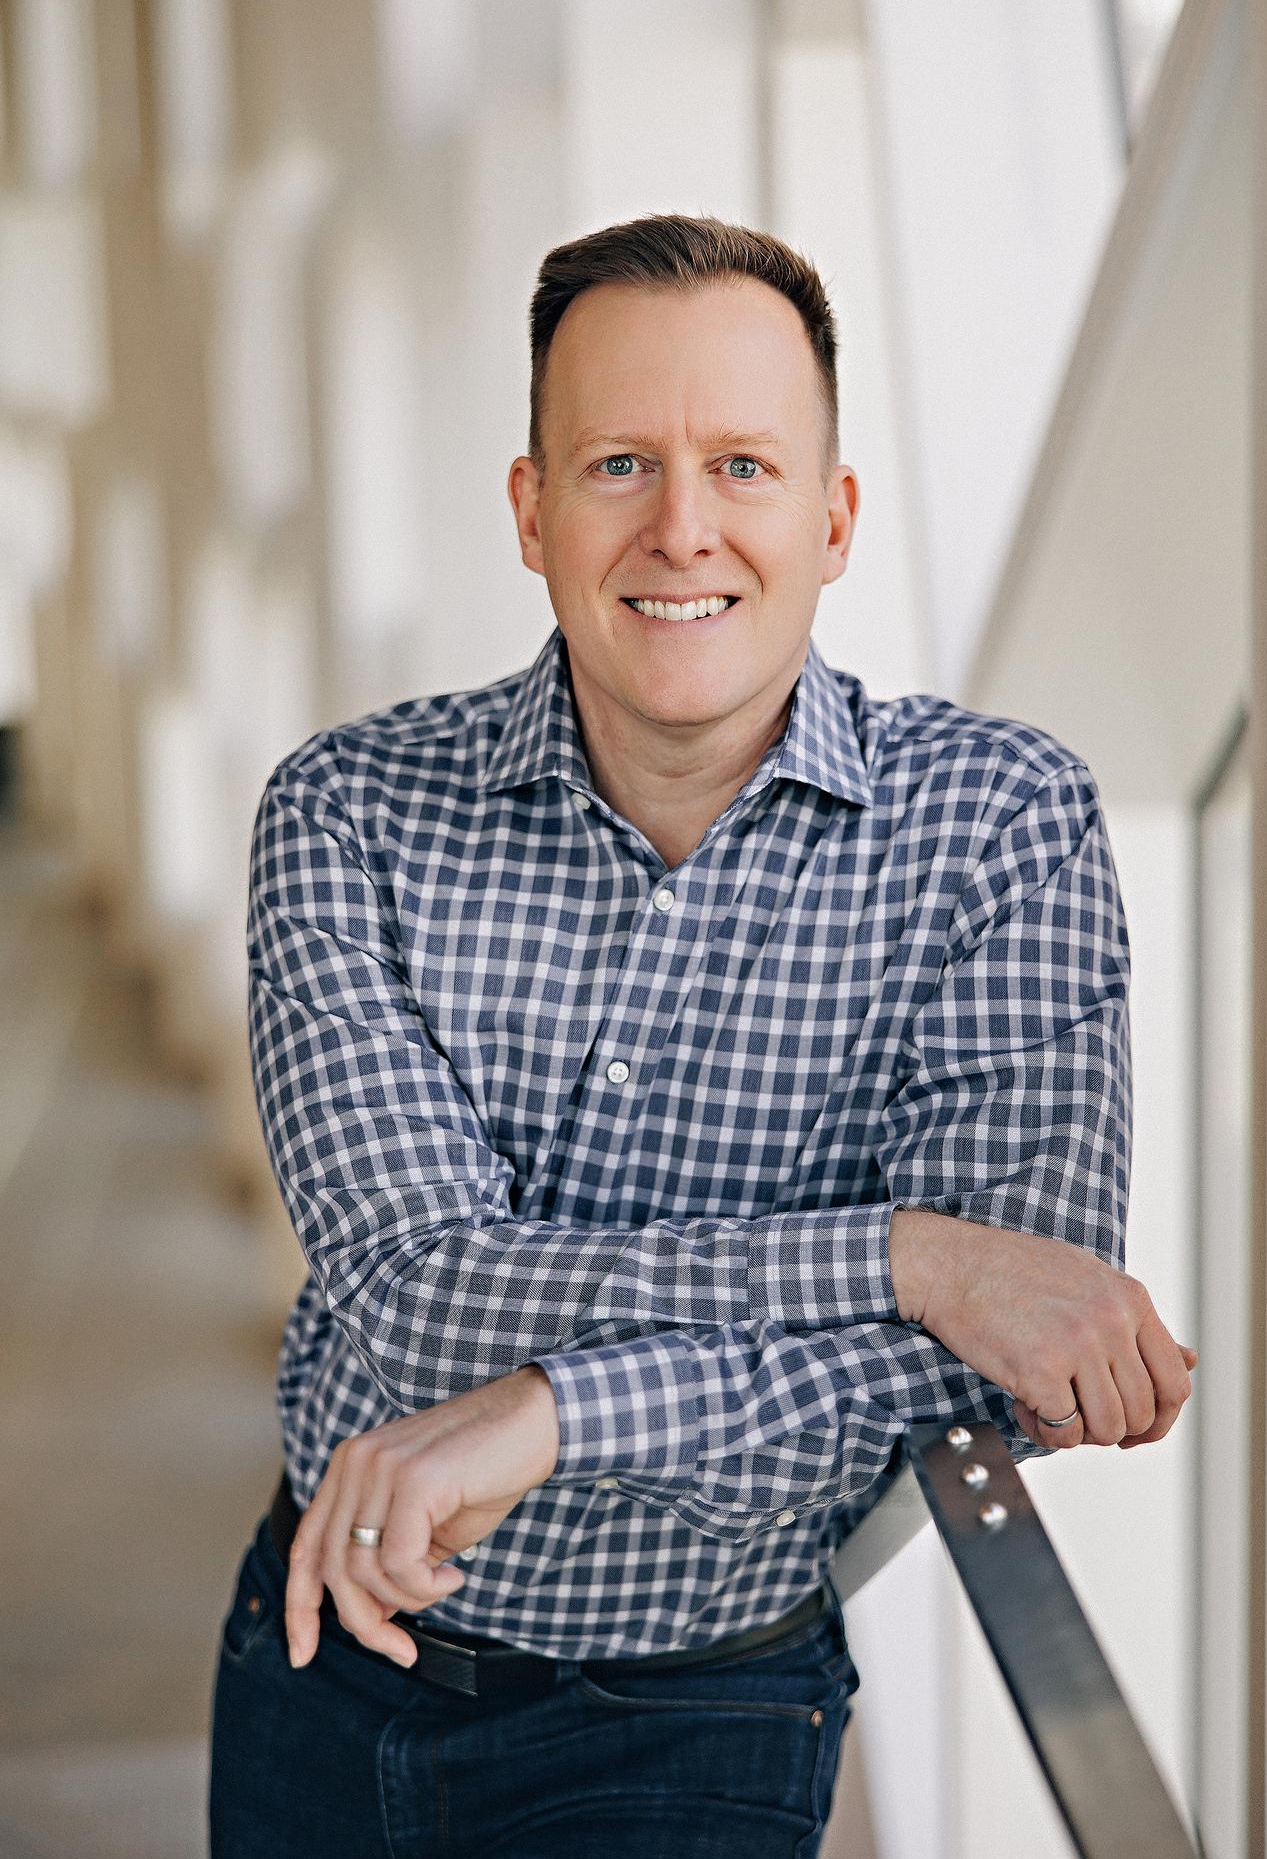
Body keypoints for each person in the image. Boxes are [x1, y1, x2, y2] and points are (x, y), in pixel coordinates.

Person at [208, 213, 1196, 1858]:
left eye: (741, 464)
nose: (681, 529)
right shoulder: (348, 812)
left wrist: (555, 1413)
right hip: (324, 1658)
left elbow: (1006, 1352)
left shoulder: (999, 828)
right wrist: (903, 1255)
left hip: (699, 1716)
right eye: (617, 464)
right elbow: (411, 1290)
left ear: (834, 516)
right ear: (531, 512)